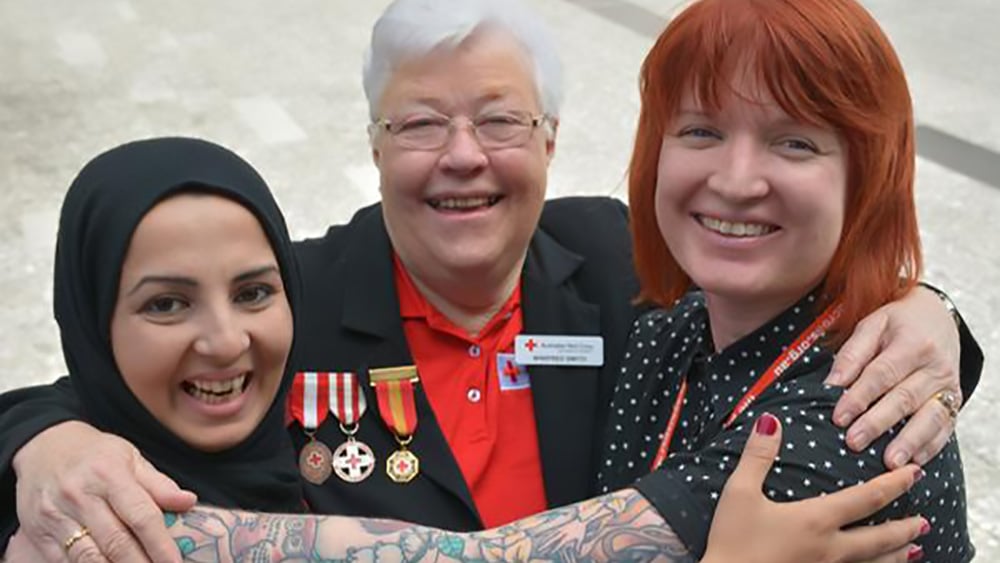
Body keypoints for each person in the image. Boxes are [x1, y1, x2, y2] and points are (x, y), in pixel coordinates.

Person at [0, 0, 983, 560]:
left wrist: (922, 308)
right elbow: (111, 374)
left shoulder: (624, 273)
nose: (462, 156)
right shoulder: (278, 301)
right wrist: (45, 443)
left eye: (501, 122)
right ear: (373, 144)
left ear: (553, 140)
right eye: (420, 123)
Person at [595, 0, 973, 560]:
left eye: (795, 142)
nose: (737, 181)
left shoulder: (864, 408)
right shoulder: (663, 336)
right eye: (701, 130)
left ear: (866, 181)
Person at [0, 136, 307, 547]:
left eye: (252, 293)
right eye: (166, 304)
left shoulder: (333, 410)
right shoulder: (50, 525)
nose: (226, 342)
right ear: (94, 326)